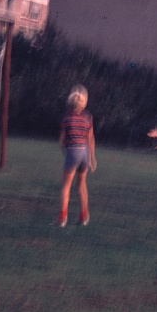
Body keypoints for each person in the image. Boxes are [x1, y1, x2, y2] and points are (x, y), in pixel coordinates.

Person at [57, 85, 97, 227]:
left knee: (66, 186)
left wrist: (66, 153)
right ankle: (84, 216)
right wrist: (92, 158)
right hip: (84, 153)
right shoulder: (88, 117)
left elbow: (61, 141)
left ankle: (62, 218)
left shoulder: (66, 118)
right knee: (81, 185)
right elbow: (90, 138)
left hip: (73, 152)